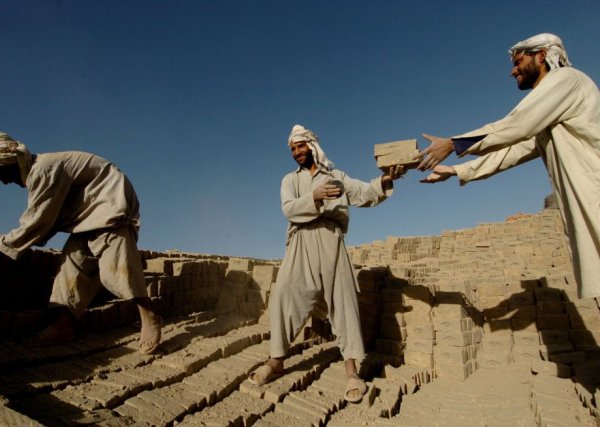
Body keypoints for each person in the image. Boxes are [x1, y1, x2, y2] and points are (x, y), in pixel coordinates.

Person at [418, 33, 600, 299]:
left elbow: (516, 124)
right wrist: (459, 170)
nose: (513, 71)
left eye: (518, 61)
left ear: (542, 55)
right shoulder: (550, 113)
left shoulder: (566, 80)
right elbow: (515, 150)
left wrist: (454, 144)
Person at [248, 124, 405, 403]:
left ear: (312, 146)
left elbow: (365, 193)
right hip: (301, 242)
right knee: (284, 294)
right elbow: (288, 209)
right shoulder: (290, 180)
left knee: (344, 300)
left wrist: (385, 180)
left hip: (331, 240)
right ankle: (276, 360)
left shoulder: (337, 176)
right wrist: (315, 197)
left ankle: (351, 367)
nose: (297, 152)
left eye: (301, 146)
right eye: (293, 148)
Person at [0, 131, 161, 353]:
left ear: (11, 161)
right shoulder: (40, 172)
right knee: (71, 268)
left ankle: (149, 315)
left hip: (109, 201)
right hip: (86, 214)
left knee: (117, 267)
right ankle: (63, 326)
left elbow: (40, 220)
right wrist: (7, 240)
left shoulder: (43, 170)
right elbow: (45, 219)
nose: (3, 182)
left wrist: (3, 246)